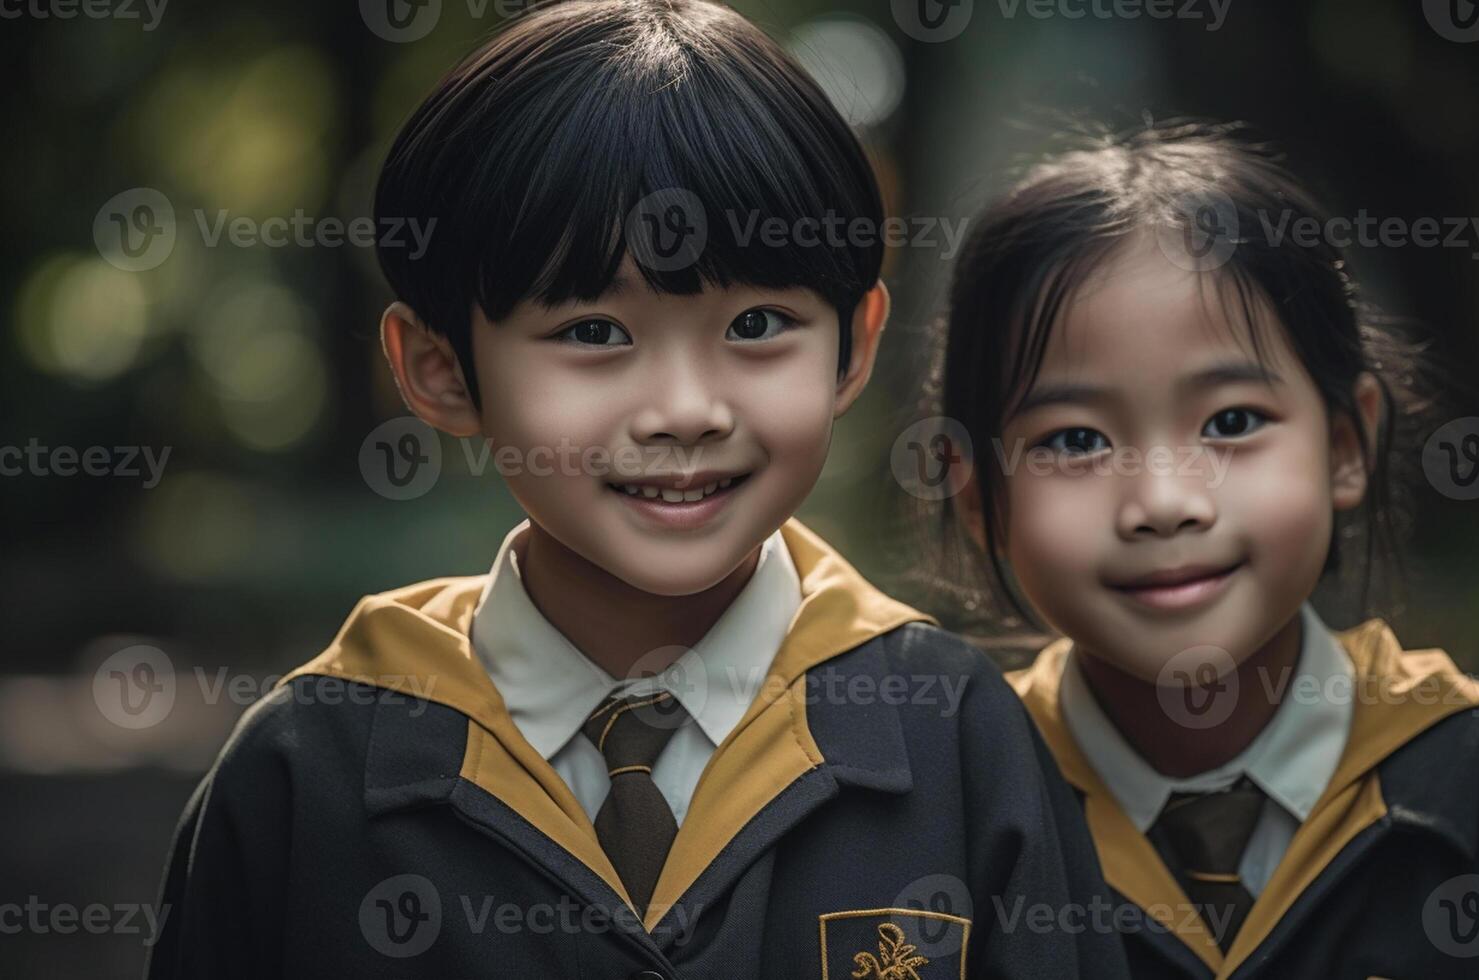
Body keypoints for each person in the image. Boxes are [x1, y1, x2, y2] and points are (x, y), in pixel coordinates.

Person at [145, 3, 1123, 977]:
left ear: (854, 345)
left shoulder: (957, 735)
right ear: (441, 370)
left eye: (757, 325)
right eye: (593, 333)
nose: (686, 409)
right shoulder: (309, 771)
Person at [930, 120, 1479, 979]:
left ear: (1344, 446)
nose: (1162, 504)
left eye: (1231, 423)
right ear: (975, 494)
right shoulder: (943, 830)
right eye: (1073, 441)